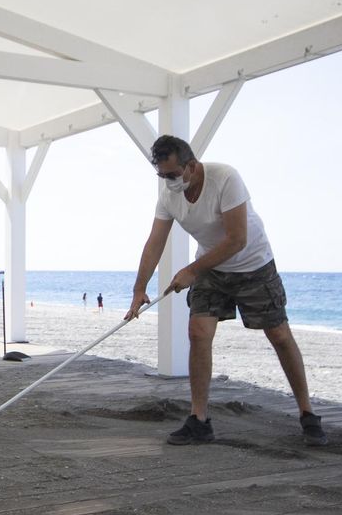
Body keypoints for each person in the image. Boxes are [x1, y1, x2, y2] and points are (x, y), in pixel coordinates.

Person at [126, 135, 324, 447]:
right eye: (162, 176)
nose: (168, 182)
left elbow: (236, 239)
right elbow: (155, 242)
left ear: (191, 166)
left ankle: (308, 413)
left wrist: (191, 270)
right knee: (198, 333)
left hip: (253, 265)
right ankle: (199, 420)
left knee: (280, 336)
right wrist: (139, 288)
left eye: (173, 175)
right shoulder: (167, 196)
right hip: (211, 268)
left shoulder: (225, 178)